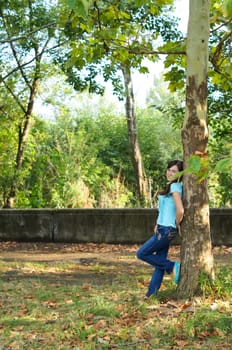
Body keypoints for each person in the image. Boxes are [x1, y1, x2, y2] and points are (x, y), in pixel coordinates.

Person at [137, 160, 184, 299]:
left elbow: (180, 210)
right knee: (159, 263)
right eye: (169, 169)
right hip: (162, 228)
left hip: (167, 230)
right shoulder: (170, 186)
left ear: (180, 174)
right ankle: (151, 294)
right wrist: (158, 223)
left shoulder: (175, 186)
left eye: (174, 171)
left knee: (142, 253)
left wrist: (175, 224)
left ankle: (173, 266)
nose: (170, 172)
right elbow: (164, 210)